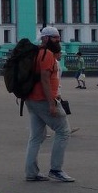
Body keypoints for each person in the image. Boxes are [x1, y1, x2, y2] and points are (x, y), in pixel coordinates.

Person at [25, 26, 74, 183]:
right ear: (45, 38)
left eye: (58, 37)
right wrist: (51, 103)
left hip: (31, 99)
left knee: (36, 137)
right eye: (54, 37)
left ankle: (31, 173)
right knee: (64, 131)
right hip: (43, 100)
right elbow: (45, 79)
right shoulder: (46, 55)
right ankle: (56, 169)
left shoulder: (36, 53)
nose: (58, 40)